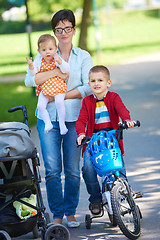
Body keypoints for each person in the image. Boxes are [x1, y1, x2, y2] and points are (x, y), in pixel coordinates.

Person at [25, 9, 93, 227]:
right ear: (54, 31)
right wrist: (55, 75)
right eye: (58, 29)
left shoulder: (82, 56)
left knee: (72, 170)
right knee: (53, 170)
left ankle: (71, 212)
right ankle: (57, 215)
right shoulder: (45, 51)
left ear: (73, 29)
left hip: (74, 118)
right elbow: (30, 80)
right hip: (47, 120)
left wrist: (59, 96)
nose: (63, 32)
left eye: (67, 28)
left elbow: (88, 87)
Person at [76, 65, 136, 215]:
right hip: (93, 141)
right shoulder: (87, 101)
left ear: (108, 83)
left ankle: (126, 189)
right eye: (93, 81)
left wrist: (127, 120)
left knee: (118, 166)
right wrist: (81, 134)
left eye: (100, 80)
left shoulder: (114, 97)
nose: (96, 84)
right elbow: (81, 120)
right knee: (88, 168)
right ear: (89, 84)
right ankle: (95, 199)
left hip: (111, 140)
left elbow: (122, 109)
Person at [26, 34, 70, 134]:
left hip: (58, 86)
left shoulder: (57, 59)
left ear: (55, 49)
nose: (48, 52)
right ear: (39, 51)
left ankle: (62, 125)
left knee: (59, 102)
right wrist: (31, 67)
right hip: (45, 88)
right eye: (44, 50)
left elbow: (66, 70)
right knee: (40, 106)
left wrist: (61, 63)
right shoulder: (39, 61)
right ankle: (48, 123)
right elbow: (33, 74)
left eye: (50, 49)